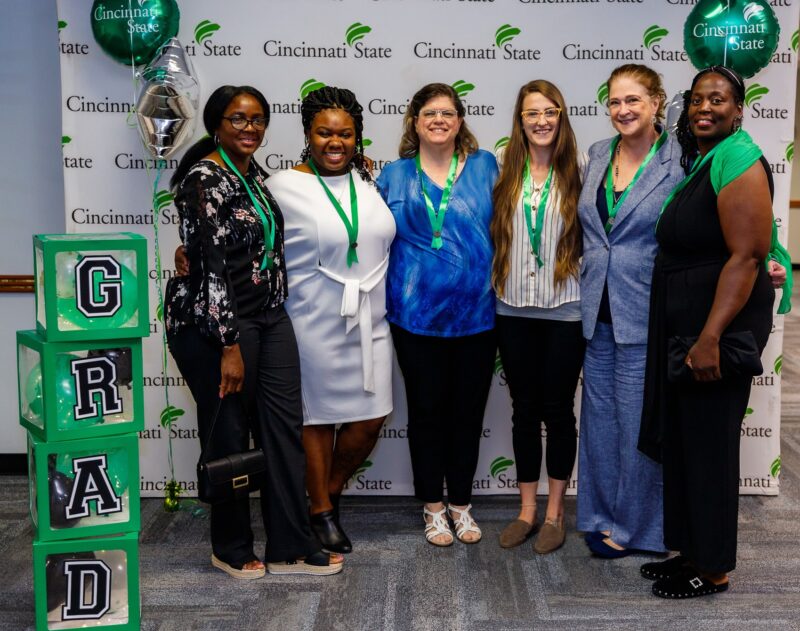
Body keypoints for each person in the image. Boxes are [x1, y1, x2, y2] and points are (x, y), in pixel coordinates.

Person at [165, 85, 343, 577]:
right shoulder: (203, 179)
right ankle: (231, 546)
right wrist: (228, 344)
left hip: (269, 316)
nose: (251, 128)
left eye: (259, 119)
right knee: (227, 435)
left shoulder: (253, 176)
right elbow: (212, 266)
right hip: (217, 324)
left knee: (283, 430)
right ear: (217, 123)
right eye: (239, 119)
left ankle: (290, 542)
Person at [638, 66, 775, 598]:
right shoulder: (706, 159)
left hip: (714, 328)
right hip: (686, 322)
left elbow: (746, 256)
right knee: (689, 442)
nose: (704, 108)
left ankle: (714, 569)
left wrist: (711, 337)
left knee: (711, 447)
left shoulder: (739, 157)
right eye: (696, 100)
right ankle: (691, 551)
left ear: (738, 110)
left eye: (717, 100)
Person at [266, 87, 395, 554]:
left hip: (371, 319)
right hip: (312, 318)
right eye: (324, 133)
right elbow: (246, 230)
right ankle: (320, 510)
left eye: (345, 133)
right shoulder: (282, 185)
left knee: (372, 417)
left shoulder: (367, 182)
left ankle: (329, 489)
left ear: (358, 137)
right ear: (307, 134)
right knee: (317, 419)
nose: (334, 142)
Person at [377, 83, 497, 546]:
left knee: (468, 413)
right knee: (426, 413)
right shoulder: (393, 175)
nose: (439, 120)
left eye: (448, 112)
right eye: (430, 112)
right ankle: (432, 507)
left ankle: (462, 506)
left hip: (478, 316)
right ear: (414, 120)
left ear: (461, 120)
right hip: (414, 318)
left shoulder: (485, 166)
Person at [576, 64, 685, 558]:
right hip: (595, 309)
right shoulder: (599, 153)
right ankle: (597, 514)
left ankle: (637, 528)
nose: (623, 111)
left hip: (645, 309)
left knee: (638, 425)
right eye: (615, 102)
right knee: (598, 421)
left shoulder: (679, 159)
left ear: (657, 102)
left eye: (633, 100)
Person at [491, 80, 585, 554]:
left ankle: (554, 513)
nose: (542, 120)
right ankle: (526, 511)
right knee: (524, 411)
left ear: (562, 116)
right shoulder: (504, 171)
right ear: (520, 119)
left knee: (558, 412)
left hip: (565, 309)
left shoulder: (582, 171)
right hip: (512, 308)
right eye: (533, 113)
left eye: (551, 111)